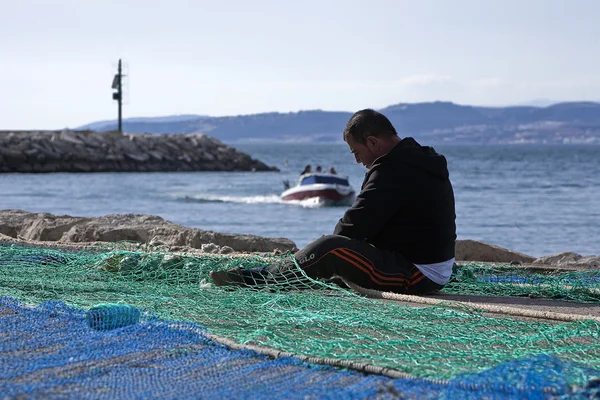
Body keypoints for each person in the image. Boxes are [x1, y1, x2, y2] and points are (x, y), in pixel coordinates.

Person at [210, 109, 456, 295]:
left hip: (418, 273)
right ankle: (271, 273)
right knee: (333, 257)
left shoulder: (393, 170)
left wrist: (328, 246)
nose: (358, 161)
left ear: (372, 142)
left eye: (356, 153)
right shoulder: (416, 159)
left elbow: (353, 226)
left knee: (331, 247)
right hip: (426, 265)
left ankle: (258, 281)